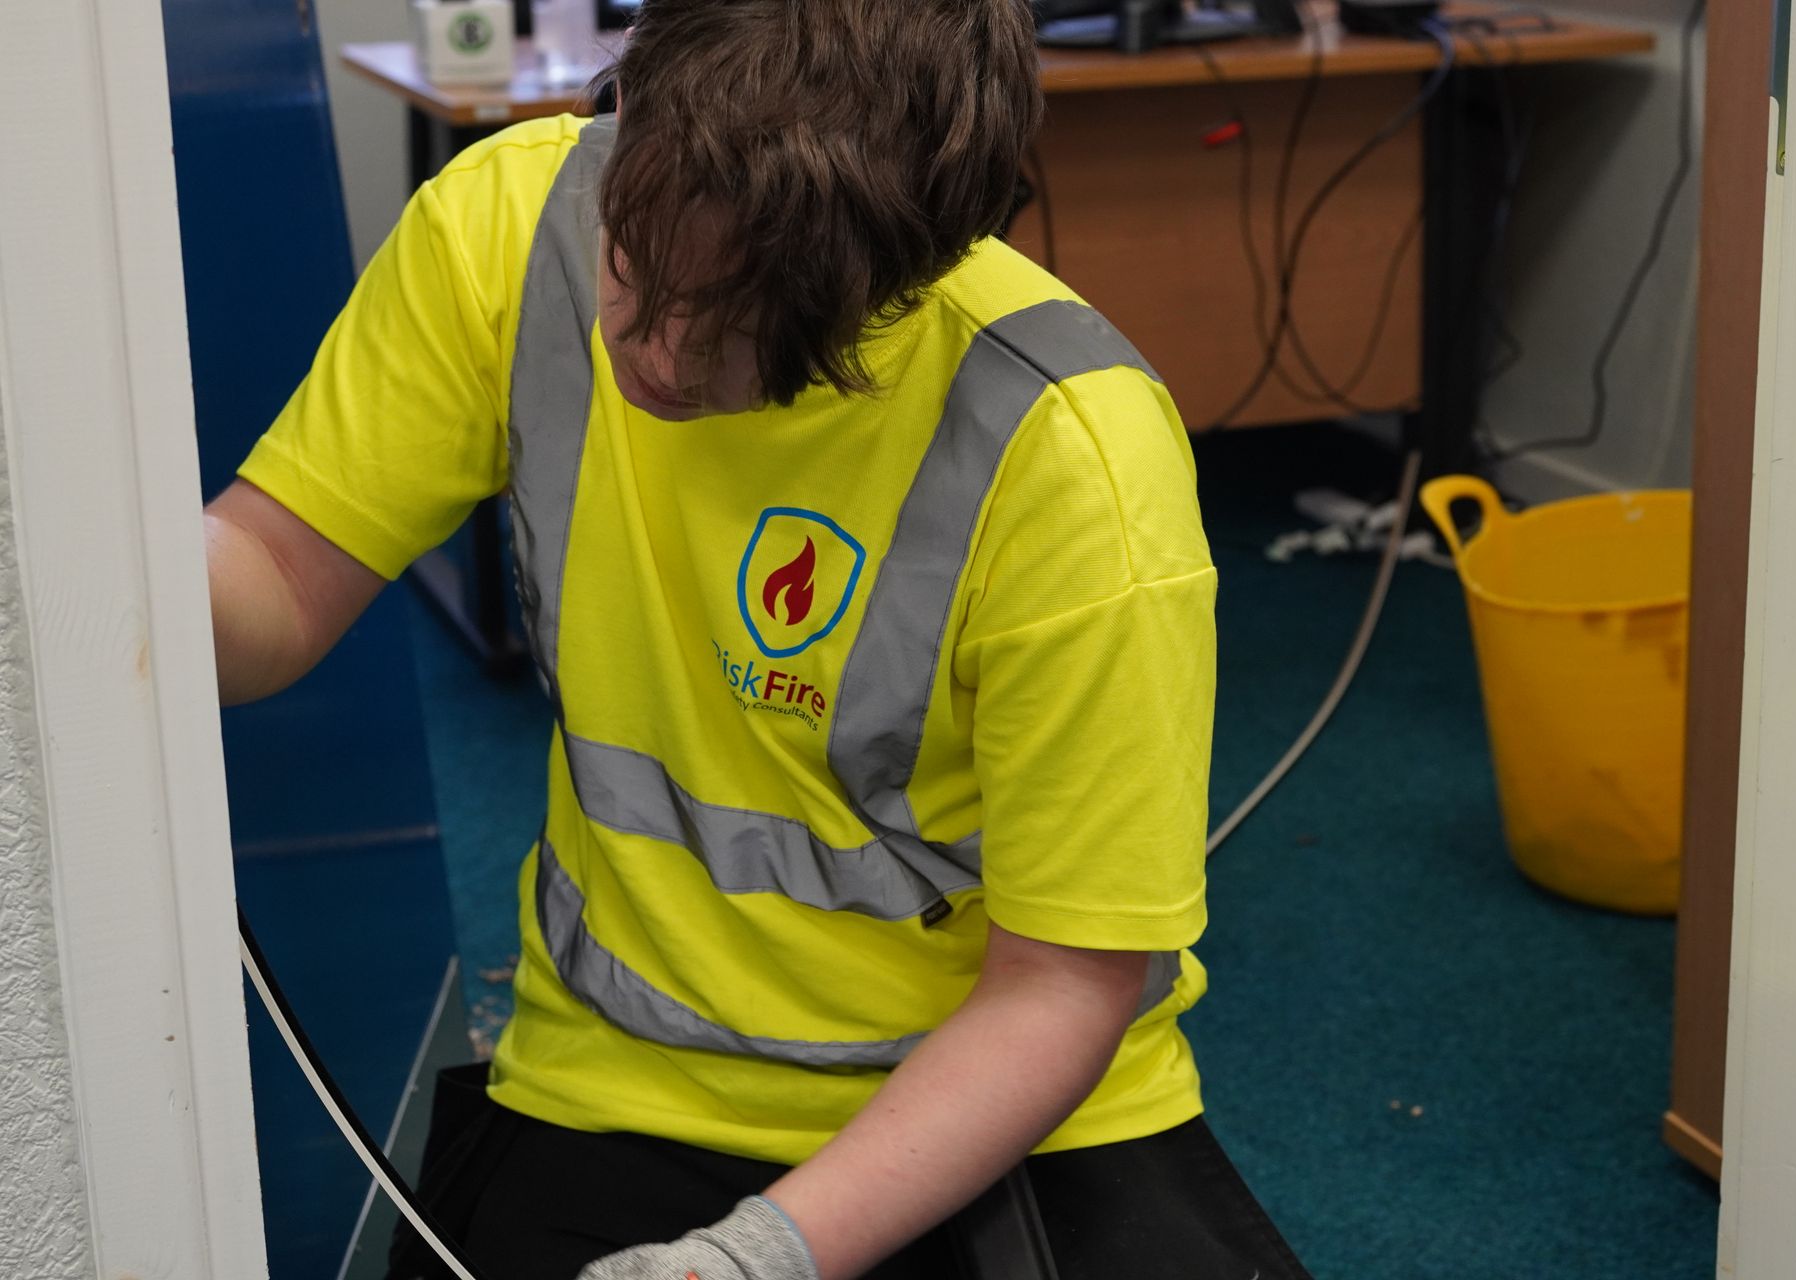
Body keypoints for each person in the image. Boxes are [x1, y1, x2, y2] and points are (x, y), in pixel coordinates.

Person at [204, 1, 1313, 1277]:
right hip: (623, 1070)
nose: (655, 354)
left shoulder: (1072, 456)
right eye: (637, 260)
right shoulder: (506, 230)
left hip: (1009, 1101)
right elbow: (276, 580)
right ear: (633, 112)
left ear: (915, 267)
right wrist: (95, 581)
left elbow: (1062, 987)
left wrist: (759, 1257)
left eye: (739, 323)